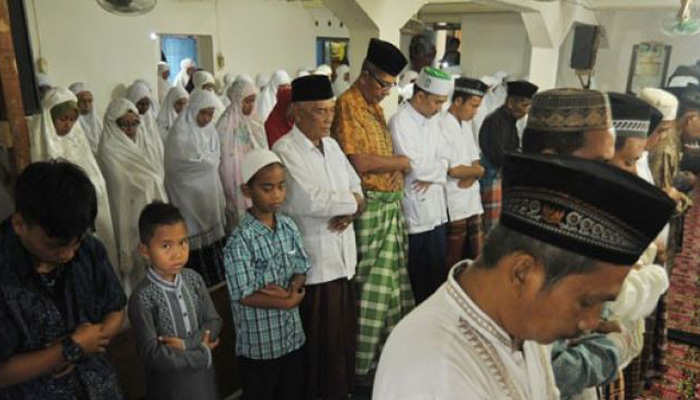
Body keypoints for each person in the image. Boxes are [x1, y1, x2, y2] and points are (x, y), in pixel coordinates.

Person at [373, 152, 675, 400]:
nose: (592, 322)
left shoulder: (518, 322)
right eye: (586, 302)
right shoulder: (435, 374)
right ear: (523, 273)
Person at [0, 160, 128, 400]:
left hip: (100, 388)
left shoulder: (88, 249)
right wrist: (69, 349)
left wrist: (91, 342)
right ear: (20, 224)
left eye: (76, 241)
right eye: (55, 245)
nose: (69, 254)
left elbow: (116, 310)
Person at [273, 75, 363, 400]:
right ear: (297, 112)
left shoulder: (334, 146)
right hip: (314, 265)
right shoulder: (285, 150)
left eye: (331, 111)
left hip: (341, 260)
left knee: (342, 343)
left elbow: (356, 187)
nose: (328, 119)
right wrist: (351, 203)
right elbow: (307, 200)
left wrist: (351, 204)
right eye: (320, 112)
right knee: (318, 349)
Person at [331, 37, 414, 386]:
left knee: (393, 290)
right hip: (369, 214)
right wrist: (400, 162)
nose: (386, 92)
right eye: (383, 84)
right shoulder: (349, 104)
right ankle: (360, 371)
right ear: (366, 75)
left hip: (389, 211)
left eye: (392, 86)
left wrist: (395, 169)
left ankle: (386, 361)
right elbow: (357, 160)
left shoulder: (375, 107)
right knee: (370, 293)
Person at [223, 149, 309, 400]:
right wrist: (288, 302)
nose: (277, 195)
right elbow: (244, 294)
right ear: (247, 191)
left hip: (292, 338)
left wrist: (294, 287)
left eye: (281, 186)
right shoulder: (240, 241)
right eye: (267, 188)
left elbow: (301, 267)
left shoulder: (288, 226)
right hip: (261, 347)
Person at [129, 202, 222, 400]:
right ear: (145, 251)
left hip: (204, 381)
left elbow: (214, 322)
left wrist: (186, 345)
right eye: (166, 246)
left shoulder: (194, 279)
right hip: (170, 388)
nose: (178, 253)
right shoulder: (142, 297)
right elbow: (153, 355)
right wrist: (201, 353)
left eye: (183, 242)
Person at [28, 87, 118, 272]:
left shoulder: (79, 145)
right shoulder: (39, 149)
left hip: (89, 228)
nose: (68, 125)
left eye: (72, 119)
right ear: (49, 118)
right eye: (62, 119)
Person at [389, 67, 453, 304]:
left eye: (443, 103)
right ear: (420, 96)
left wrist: (434, 172)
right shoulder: (400, 121)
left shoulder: (435, 120)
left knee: (436, 278)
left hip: (437, 211)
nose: (440, 108)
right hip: (414, 215)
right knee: (417, 281)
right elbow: (413, 167)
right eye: (437, 102)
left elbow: (447, 158)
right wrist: (435, 170)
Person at [98, 98, 168, 295]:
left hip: (147, 208)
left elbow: (156, 171)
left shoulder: (141, 142)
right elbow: (120, 183)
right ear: (114, 124)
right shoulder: (108, 149)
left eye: (134, 123)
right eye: (125, 124)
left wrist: (150, 180)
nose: (130, 129)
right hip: (128, 211)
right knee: (137, 265)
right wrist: (148, 181)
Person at [164, 89, 227, 287]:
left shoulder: (211, 131)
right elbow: (179, 168)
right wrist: (207, 163)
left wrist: (207, 162)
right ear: (193, 110)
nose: (207, 118)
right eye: (203, 113)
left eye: (210, 113)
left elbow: (214, 158)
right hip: (187, 197)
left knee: (214, 246)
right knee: (193, 244)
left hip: (209, 195)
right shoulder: (179, 134)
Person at [439, 77, 487, 268]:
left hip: (471, 197)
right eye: (473, 106)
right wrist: (475, 172)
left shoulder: (465, 125)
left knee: (475, 254)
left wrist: (475, 173)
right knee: (453, 257)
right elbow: (454, 170)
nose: (475, 112)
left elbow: (477, 161)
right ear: (458, 101)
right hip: (454, 199)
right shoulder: (443, 124)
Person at [479, 80, 538, 234]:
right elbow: (498, 156)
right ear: (511, 102)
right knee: (491, 229)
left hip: (502, 178)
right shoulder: (496, 120)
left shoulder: (510, 121)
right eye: (524, 105)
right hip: (492, 178)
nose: (526, 110)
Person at [217, 79, 267, 227]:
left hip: (256, 176)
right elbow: (225, 161)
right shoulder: (225, 124)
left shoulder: (255, 120)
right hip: (236, 180)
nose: (250, 105)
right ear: (237, 100)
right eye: (247, 101)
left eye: (253, 101)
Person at [126, 81, 166, 177]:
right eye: (140, 104)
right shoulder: (127, 122)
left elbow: (156, 142)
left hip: (155, 164)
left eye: (147, 104)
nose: (144, 107)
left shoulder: (149, 118)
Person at [68, 82, 103, 154]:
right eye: (83, 101)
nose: (87, 104)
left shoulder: (98, 123)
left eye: (89, 101)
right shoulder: (69, 123)